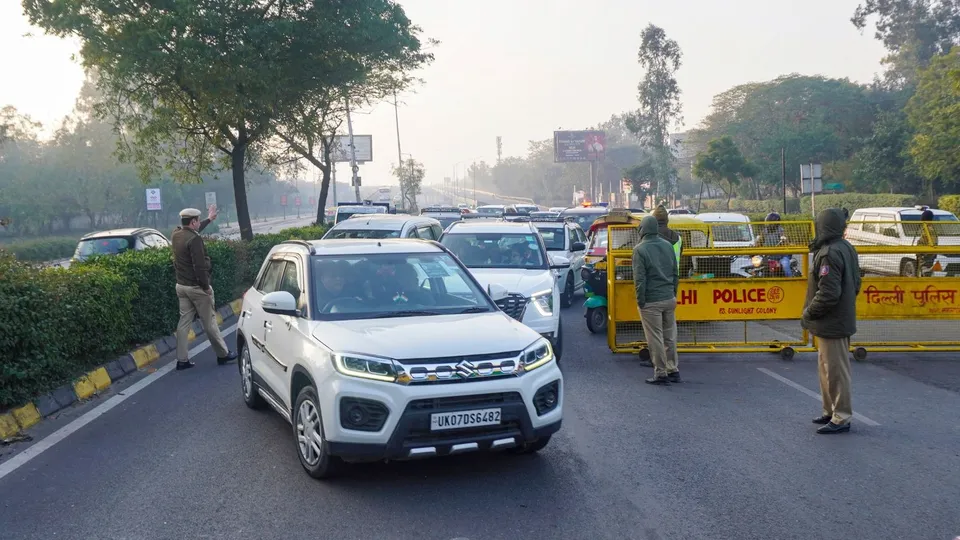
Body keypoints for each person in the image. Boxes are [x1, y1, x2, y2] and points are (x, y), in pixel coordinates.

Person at [801, 208, 861, 434]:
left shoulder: (829, 253)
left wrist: (809, 313)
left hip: (831, 322)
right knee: (827, 369)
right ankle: (830, 411)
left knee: (836, 372)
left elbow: (828, 293)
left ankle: (841, 417)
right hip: (836, 320)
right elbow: (856, 283)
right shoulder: (845, 248)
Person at [171, 206, 237, 371]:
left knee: (184, 323)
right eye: (198, 221)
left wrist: (209, 219)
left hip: (181, 286)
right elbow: (199, 267)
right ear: (193, 222)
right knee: (210, 323)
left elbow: (192, 233)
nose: (199, 223)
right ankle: (223, 354)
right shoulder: (195, 240)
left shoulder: (176, 235)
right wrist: (206, 287)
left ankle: (182, 360)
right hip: (196, 287)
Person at [632, 215, 680, 385]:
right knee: (670, 336)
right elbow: (675, 272)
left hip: (651, 301)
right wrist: (673, 292)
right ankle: (673, 369)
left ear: (642, 229)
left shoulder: (640, 249)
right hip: (669, 298)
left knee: (655, 338)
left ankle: (660, 373)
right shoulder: (667, 245)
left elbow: (640, 279)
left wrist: (640, 300)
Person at [652, 205, 682, 276]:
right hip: (672, 277)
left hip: (654, 279)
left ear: (653, 220)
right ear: (667, 220)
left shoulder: (648, 236)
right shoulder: (678, 237)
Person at [916, 209, 937, 277]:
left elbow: (933, 243)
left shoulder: (929, 229)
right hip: (924, 255)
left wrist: (924, 253)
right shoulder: (926, 228)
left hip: (926, 255)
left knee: (925, 274)